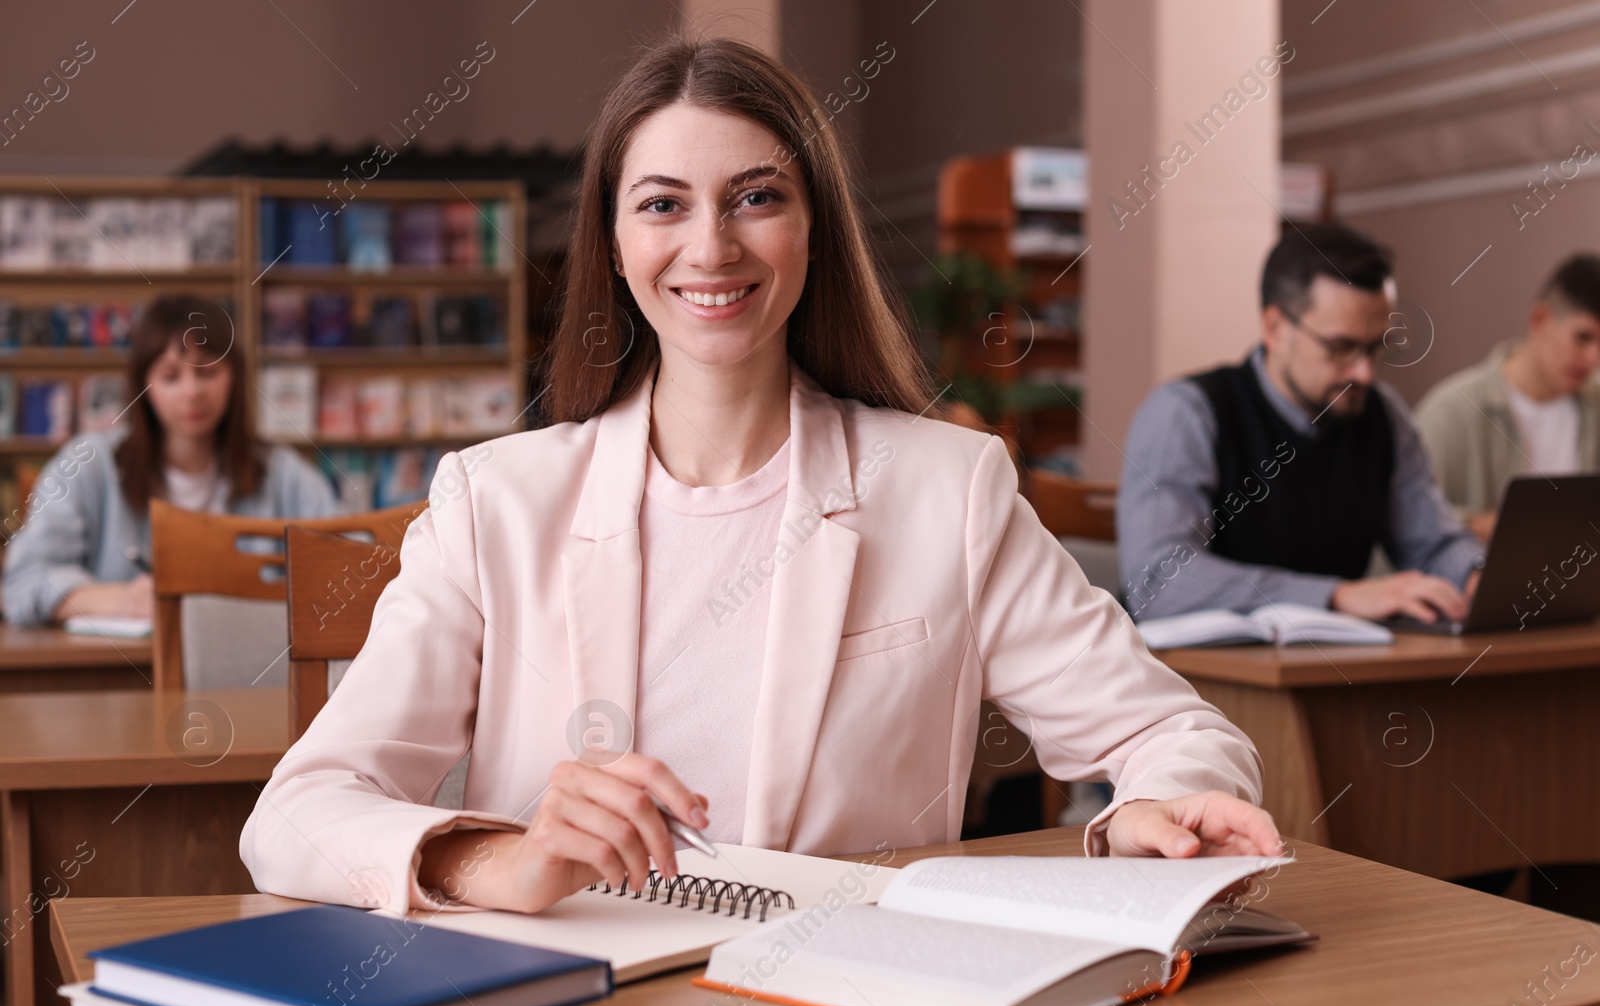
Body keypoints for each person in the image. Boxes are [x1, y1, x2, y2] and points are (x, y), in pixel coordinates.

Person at [240, 35, 1280, 920]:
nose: (710, 245)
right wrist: (501, 860)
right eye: (661, 204)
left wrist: (1158, 811)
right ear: (610, 242)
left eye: (755, 197)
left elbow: (1175, 732)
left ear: (811, 225)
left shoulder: (947, 486)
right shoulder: (492, 502)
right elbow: (297, 813)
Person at [1118, 223, 1483, 625]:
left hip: (1325, 669)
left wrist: (1475, 577)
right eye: (1341, 347)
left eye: (1375, 347)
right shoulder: (1186, 413)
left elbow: (1431, 544)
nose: (1363, 373)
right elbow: (1157, 582)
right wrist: (1336, 596)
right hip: (1195, 676)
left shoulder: (1383, 414)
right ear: (1274, 328)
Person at [1, 294, 339, 626]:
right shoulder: (88, 464)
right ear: (143, 385)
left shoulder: (279, 470)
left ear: (234, 378)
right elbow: (26, 582)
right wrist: (121, 600)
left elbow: (351, 559)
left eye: (207, 373)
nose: (192, 392)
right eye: (170, 376)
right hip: (125, 671)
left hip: (251, 669)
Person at [1414, 254, 1600, 542]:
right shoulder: (1452, 412)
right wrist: (1486, 525)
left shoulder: (1595, 402)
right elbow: (1407, 524)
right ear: (1540, 320)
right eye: (1583, 337)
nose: (1594, 358)